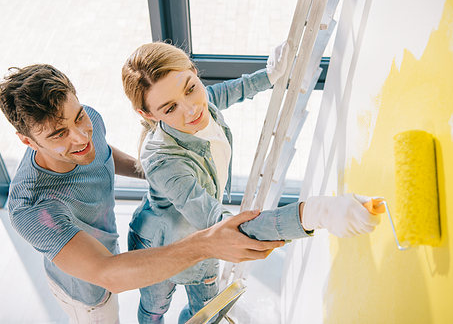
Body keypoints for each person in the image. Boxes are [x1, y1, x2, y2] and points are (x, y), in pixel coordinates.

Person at [0, 64, 287, 324]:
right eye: (59, 134)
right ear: (26, 140)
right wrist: (208, 244)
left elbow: (103, 154)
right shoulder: (31, 209)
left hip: (110, 248)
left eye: (79, 116)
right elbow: (107, 273)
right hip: (87, 290)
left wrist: (153, 171)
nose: (82, 135)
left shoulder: (89, 121)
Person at [121, 41, 382, 324]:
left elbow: (229, 91)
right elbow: (216, 223)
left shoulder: (199, 105)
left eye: (190, 88)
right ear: (147, 115)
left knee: (204, 314)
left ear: (194, 73)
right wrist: (317, 213)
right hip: (156, 247)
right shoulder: (161, 161)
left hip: (202, 248)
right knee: (153, 310)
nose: (191, 110)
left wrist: (269, 75)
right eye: (170, 108)